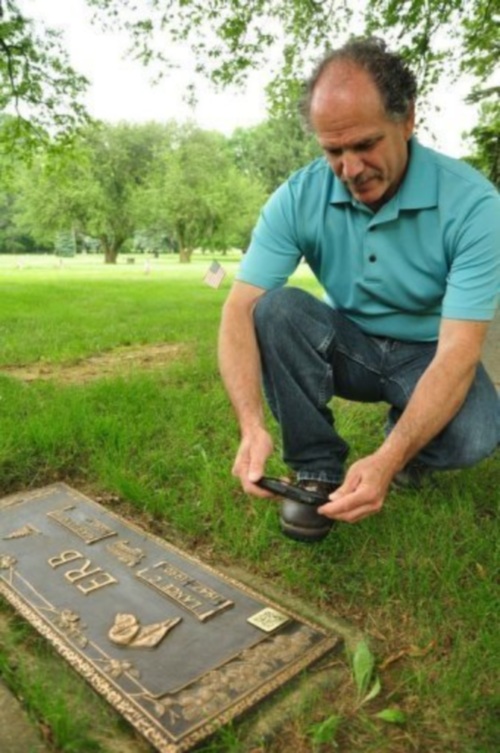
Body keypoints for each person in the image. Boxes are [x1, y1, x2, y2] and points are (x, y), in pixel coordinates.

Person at [218, 37, 500, 542]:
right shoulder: (298, 196)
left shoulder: (475, 206)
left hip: (428, 353)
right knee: (275, 309)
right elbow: (239, 309)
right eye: (333, 150)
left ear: (407, 120)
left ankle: (404, 445)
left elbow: (459, 350)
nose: (350, 169)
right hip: (348, 345)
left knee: (477, 436)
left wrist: (390, 459)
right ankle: (317, 470)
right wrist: (252, 426)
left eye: (365, 144)